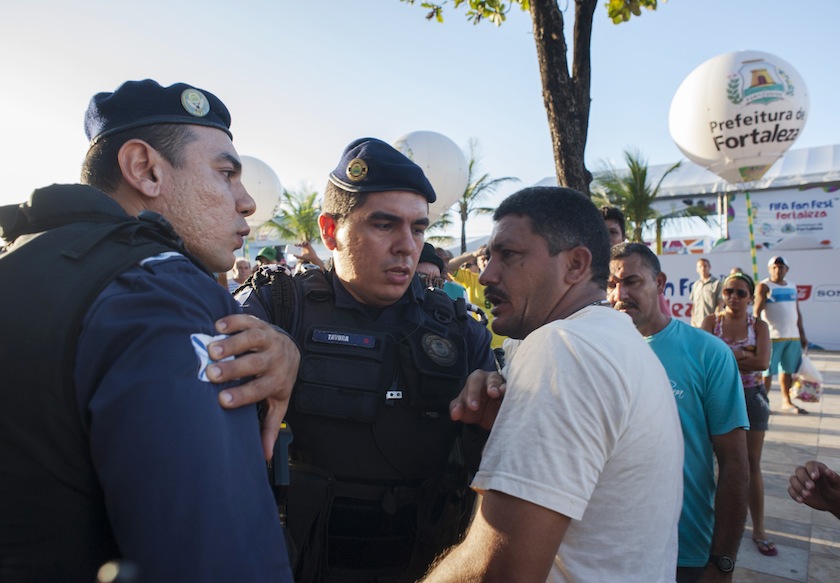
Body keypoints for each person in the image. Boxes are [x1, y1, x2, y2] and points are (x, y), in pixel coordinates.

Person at [0, 79, 298, 582]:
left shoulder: (22, 264)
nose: (246, 201)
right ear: (146, 170)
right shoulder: (162, 291)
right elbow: (215, 560)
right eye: (226, 173)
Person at [237, 137, 496, 583]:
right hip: (301, 566)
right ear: (330, 230)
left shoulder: (457, 329)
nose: (406, 246)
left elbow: (493, 468)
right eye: (384, 225)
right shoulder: (279, 308)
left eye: (418, 229)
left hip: (428, 569)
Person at [422, 187, 684, 582]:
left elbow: (496, 570)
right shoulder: (616, 340)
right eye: (490, 256)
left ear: (576, 265)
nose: (488, 274)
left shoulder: (565, 347)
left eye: (508, 254)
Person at [609, 243, 749, 583]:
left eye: (632, 281)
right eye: (611, 284)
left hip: (683, 550)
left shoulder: (707, 353)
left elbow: (734, 463)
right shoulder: (597, 352)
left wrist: (722, 562)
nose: (619, 294)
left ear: (659, 283)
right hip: (606, 550)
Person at [701, 273, 776, 557]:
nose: (734, 296)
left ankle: (758, 529)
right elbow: (705, 360)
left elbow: (764, 361)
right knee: (709, 462)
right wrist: (744, 354)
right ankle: (710, 524)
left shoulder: (759, 326)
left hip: (752, 397)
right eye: (729, 291)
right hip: (716, 398)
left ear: (750, 296)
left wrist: (727, 356)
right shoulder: (711, 322)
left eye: (741, 292)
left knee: (751, 464)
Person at [754, 255, 809, 414]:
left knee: (787, 371)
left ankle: (787, 401)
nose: (778, 270)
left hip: (792, 336)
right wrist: (757, 335)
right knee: (767, 372)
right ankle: (763, 403)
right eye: (774, 267)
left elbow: (796, 312)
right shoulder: (764, 286)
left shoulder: (792, 286)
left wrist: (802, 334)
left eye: (781, 267)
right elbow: (757, 312)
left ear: (787, 269)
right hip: (772, 337)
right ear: (770, 269)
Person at [689, 257, 722, 328]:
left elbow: (720, 303)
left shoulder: (717, 283)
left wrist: (715, 320)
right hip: (697, 324)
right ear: (697, 269)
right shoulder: (696, 285)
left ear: (709, 267)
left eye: (705, 266)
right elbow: (694, 305)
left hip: (711, 324)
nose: (703, 268)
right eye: (700, 266)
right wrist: (693, 321)